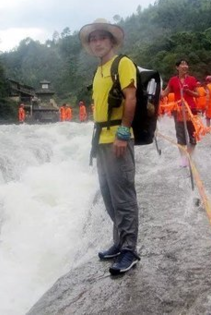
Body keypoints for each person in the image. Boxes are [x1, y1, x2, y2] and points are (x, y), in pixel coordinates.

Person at [79, 18, 140, 275]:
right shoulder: (99, 70)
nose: (97, 42)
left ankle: (129, 250)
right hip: (101, 140)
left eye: (102, 38)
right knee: (108, 195)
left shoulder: (122, 63)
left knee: (123, 195)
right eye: (93, 39)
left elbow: (131, 98)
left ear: (112, 41)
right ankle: (119, 241)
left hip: (118, 138)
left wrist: (123, 133)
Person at [161, 59, 199, 166]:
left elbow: (197, 94)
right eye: (182, 64)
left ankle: (190, 157)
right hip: (178, 110)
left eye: (186, 64)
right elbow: (164, 93)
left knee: (193, 135)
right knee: (180, 135)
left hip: (191, 110)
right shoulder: (173, 80)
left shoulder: (192, 79)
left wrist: (188, 91)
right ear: (177, 67)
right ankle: (183, 159)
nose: (185, 66)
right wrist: (155, 93)